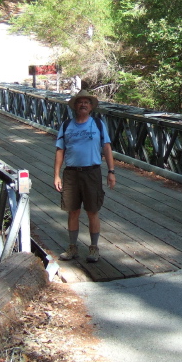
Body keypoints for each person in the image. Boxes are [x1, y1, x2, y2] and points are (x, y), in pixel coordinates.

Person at [53, 90, 116, 263]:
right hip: (72, 173)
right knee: (72, 211)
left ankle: (94, 248)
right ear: (75, 106)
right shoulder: (67, 125)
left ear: (90, 106)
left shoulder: (98, 124)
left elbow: (107, 147)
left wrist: (111, 171)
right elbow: (60, 150)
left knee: (92, 211)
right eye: (80, 102)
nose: (83, 104)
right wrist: (56, 175)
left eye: (86, 102)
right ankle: (72, 247)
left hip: (92, 172)